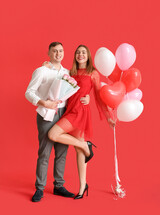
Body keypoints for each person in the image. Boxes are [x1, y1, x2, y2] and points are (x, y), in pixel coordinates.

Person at [43, 45, 115, 200]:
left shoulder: (93, 73)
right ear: (75, 56)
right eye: (78, 52)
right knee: (55, 135)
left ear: (88, 56)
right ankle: (84, 144)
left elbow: (98, 96)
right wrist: (47, 65)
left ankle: (82, 186)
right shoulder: (71, 72)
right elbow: (58, 81)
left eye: (83, 52)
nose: (80, 55)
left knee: (78, 152)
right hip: (69, 111)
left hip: (81, 113)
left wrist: (108, 116)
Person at [25, 42, 90, 202]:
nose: (58, 54)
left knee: (62, 152)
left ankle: (58, 186)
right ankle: (40, 188)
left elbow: (79, 89)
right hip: (47, 112)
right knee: (45, 152)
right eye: (55, 51)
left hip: (64, 113)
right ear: (49, 52)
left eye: (61, 51)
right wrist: (43, 103)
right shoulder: (42, 71)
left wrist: (88, 98)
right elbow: (29, 92)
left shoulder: (68, 72)